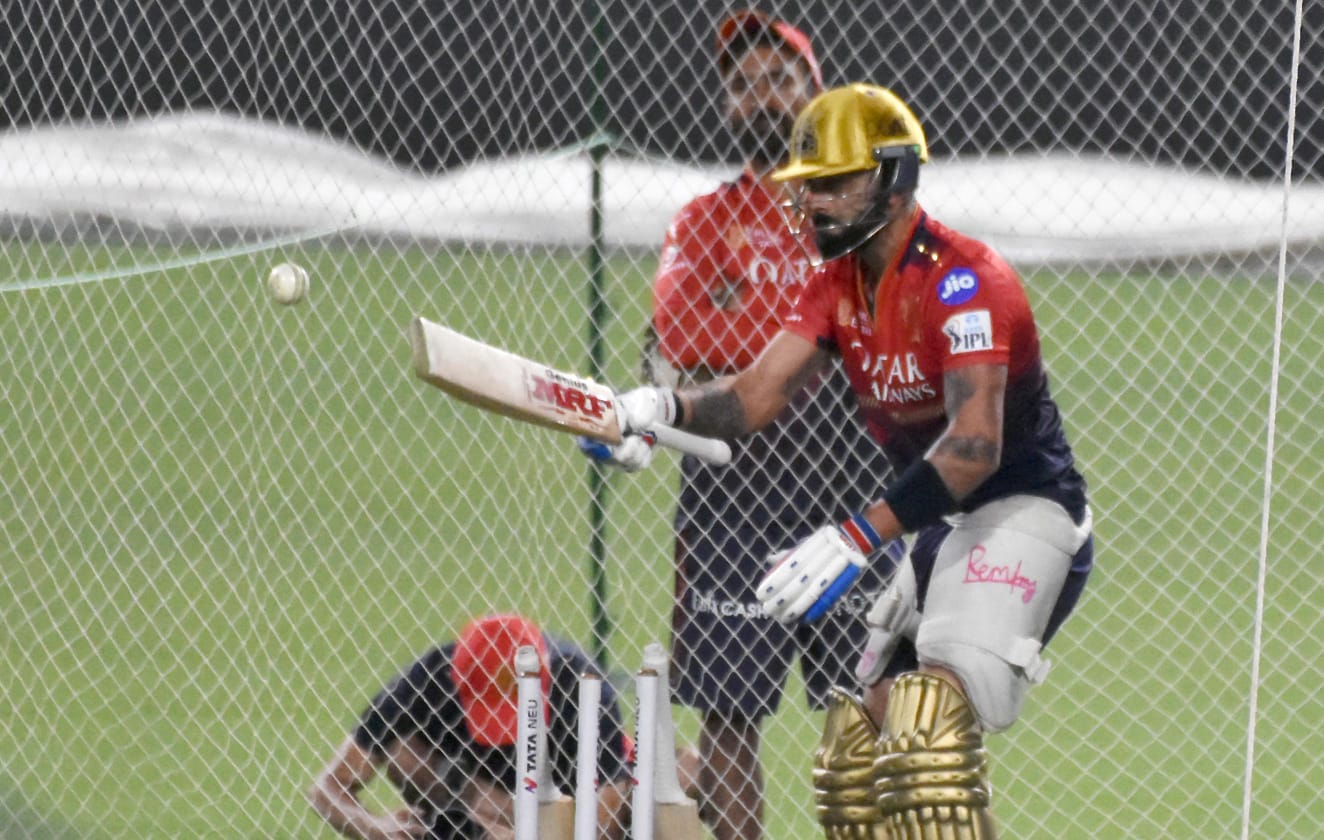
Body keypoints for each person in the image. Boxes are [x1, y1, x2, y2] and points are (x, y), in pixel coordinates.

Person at [602, 84, 1095, 838]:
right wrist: (660, 409)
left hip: (1027, 510)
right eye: (809, 186)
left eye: (834, 183)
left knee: (924, 737)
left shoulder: (966, 280)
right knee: (857, 760)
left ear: (894, 179)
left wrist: (858, 536)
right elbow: (754, 396)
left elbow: (974, 446)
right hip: (943, 523)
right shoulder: (835, 285)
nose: (813, 203)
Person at [583, 12, 901, 840]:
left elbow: (877, 325)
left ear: (813, 92)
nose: (761, 95)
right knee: (727, 711)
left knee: (872, 700)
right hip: (732, 488)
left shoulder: (854, 208)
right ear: (726, 106)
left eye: (779, 80)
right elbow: (683, 333)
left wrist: (754, 322)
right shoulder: (702, 217)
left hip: (851, 481)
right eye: (743, 84)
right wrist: (801, 344)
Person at [307, 614, 634, 840]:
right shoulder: (430, 676)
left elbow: (602, 824)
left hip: (563, 801)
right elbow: (327, 787)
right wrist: (375, 828)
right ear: (458, 679)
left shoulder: (582, 686)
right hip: (470, 789)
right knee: (403, 752)